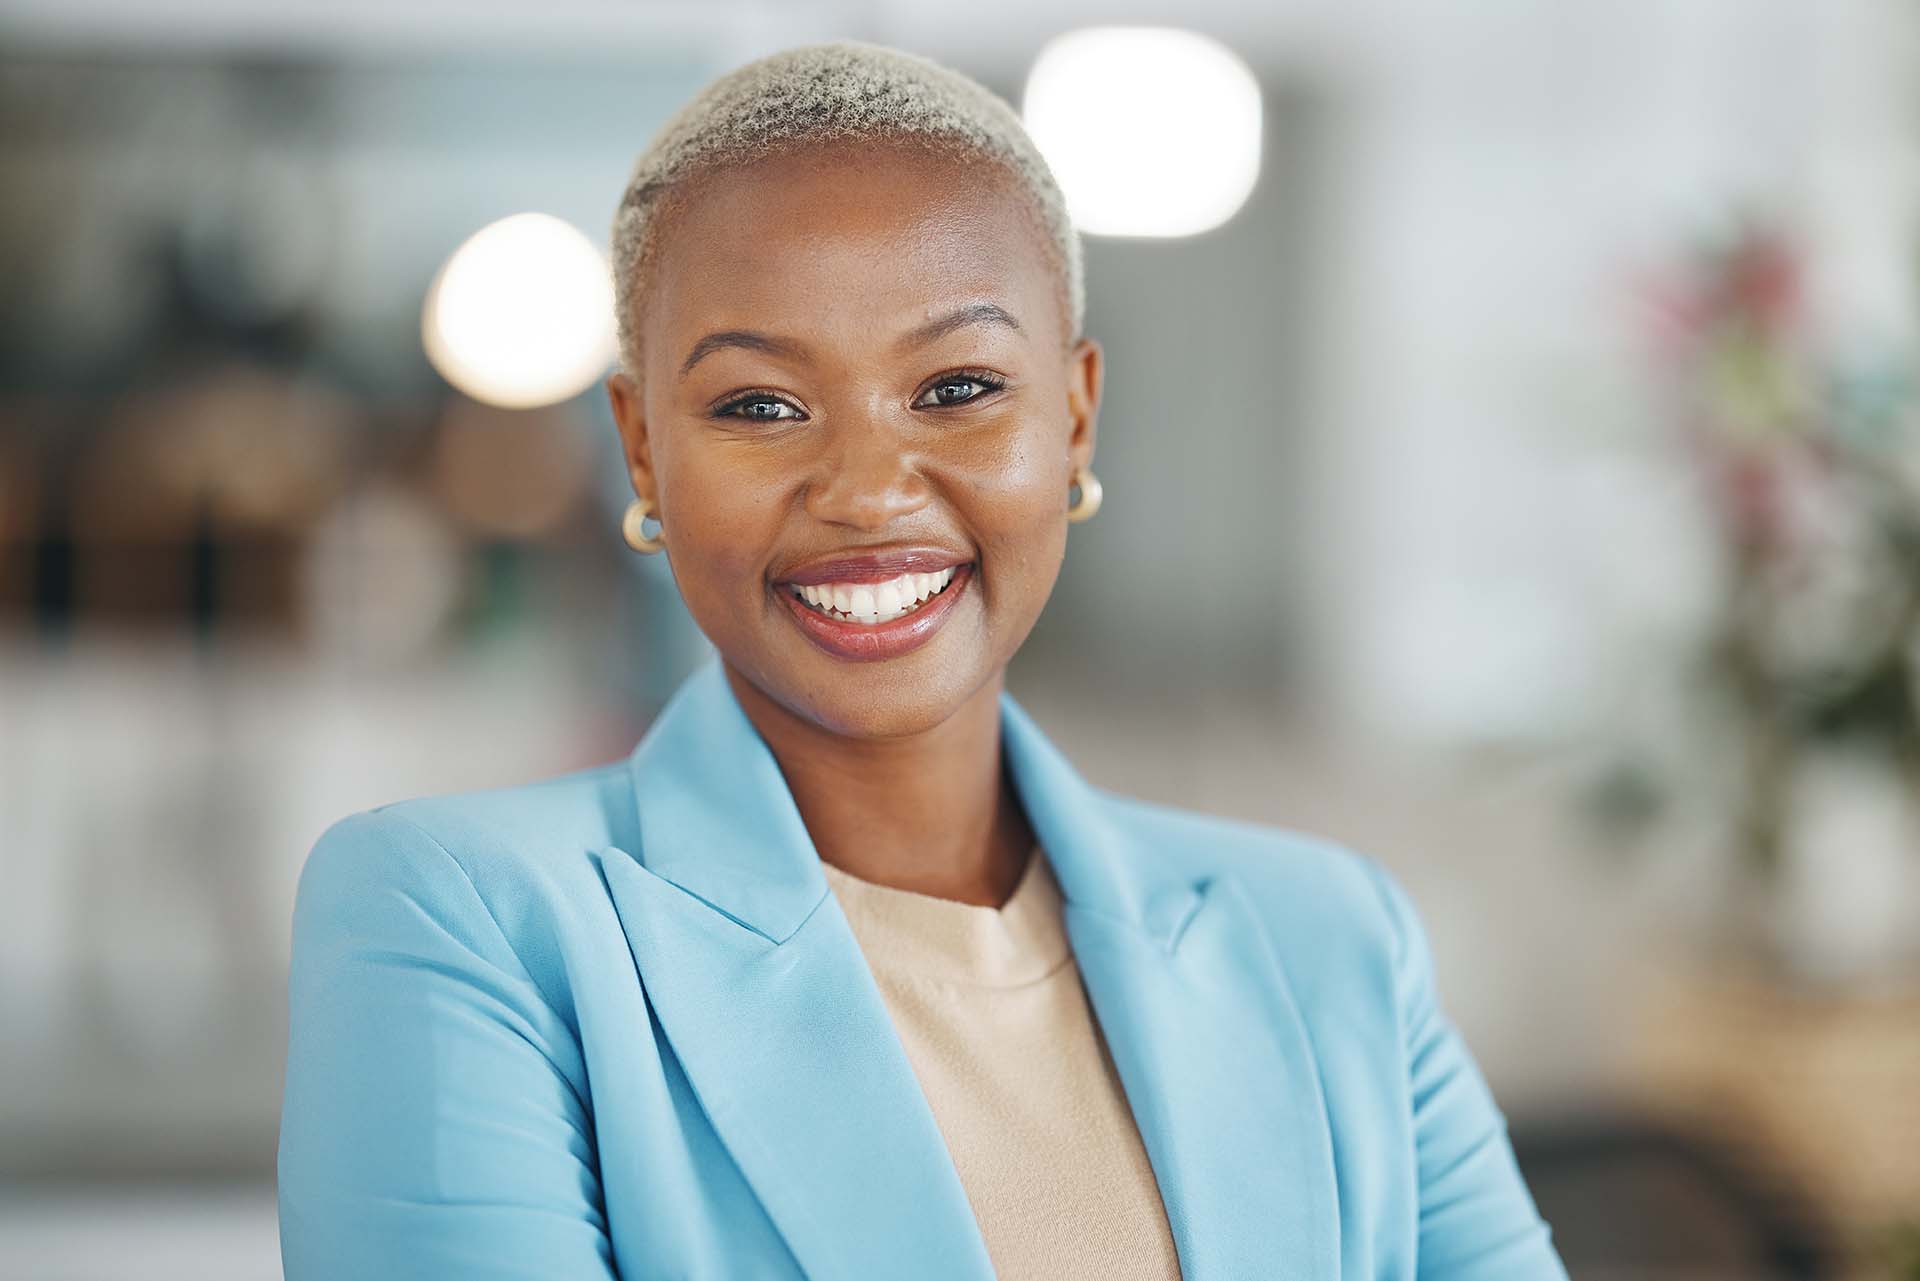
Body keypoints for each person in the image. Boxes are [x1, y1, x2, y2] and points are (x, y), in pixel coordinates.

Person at [276, 39, 1569, 1281]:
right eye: (760, 405)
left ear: (1073, 417)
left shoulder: (1327, 940)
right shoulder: (468, 922)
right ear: (642, 446)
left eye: (956, 387)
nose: (865, 490)